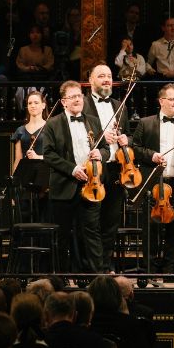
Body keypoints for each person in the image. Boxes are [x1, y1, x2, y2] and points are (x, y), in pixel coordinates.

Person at [131, 83, 174, 273]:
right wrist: (152, 155)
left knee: (173, 228)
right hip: (152, 183)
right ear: (161, 101)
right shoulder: (145, 123)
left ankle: (169, 268)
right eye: (172, 99)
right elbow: (134, 148)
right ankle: (150, 269)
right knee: (151, 228)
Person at [42, 80, 111, 273]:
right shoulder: (53, 124)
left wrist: (101, 154)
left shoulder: (93, 121)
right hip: (64, 186)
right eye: (72, 97)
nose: (77, 100)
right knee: (62, 235)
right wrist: (72, 169)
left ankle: (96, 276)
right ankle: (61, 276)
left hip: (92, 185)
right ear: (64, 102)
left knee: (91, 233)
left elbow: (106, 149)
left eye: (79, 96)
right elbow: (48, 154)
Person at [82, 64, 130, 271]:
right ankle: (92, 268)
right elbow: (78, 137)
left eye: (109, 76)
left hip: (116, 169)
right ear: (90, 80)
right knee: (92, 222)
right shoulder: (83, 105)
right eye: (101, 76)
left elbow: (129, 137)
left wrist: (125, 139)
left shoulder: (120, 106)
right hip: (92, 171)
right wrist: (102, 137)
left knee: (111, 222)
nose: (106, 79)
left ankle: (105, 265)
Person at [10, 90, 49, 221]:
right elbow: (18, 159)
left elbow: (55, 156)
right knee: (24, 218)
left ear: (43, 105)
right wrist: (14, 185)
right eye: (30, 103)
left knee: (43, 217)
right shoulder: (20, 130)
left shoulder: (50, 128)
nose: (33, 105)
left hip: (44, 179)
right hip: (25, 179)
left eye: (36, 102)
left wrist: (39, 157)